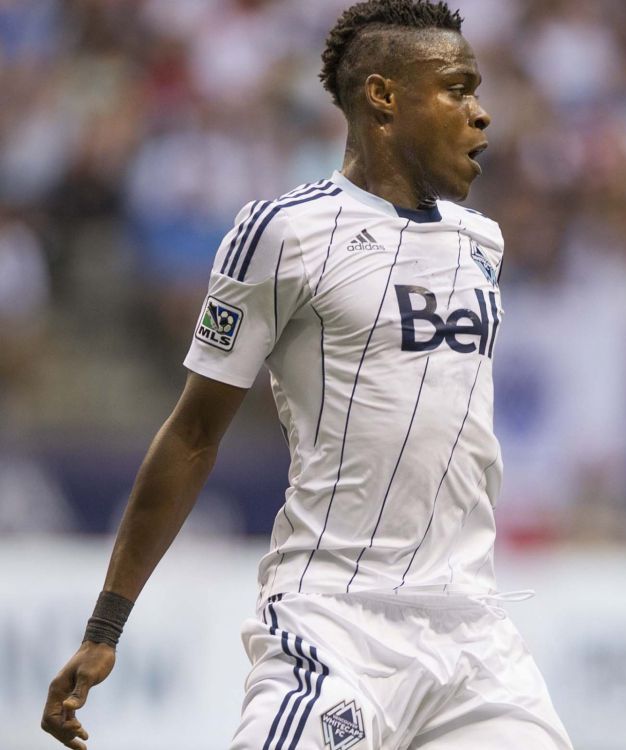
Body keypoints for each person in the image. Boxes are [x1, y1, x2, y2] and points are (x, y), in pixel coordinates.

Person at [41, 2, 573, 748]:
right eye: (457, 88)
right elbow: (193, 433)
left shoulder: (481, 242)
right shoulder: (282, 233)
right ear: (384, 96)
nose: (482, 115)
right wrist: (107, 624)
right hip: (335, 627)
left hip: (476, 637)